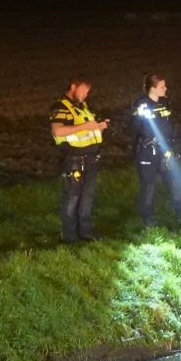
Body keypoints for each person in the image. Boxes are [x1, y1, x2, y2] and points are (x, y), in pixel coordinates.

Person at [49, 76, 109, 243]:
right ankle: (70, 237)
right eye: (83, 90)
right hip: (73, 160)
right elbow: (58, 132)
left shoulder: (83, 107)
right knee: (72, 198)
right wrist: (87, 126)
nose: (85, 95)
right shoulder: (60, 107)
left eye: (88, 92)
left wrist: (99, 127)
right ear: (73, 87)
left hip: (91, 160)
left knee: (87, 198)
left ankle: (86, 233)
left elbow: (88, 131)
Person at [130, 73, 181, 229]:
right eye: (162, 87)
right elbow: (134, 129)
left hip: (166, 150)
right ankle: (148, 220)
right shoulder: (141, 104)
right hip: (147, 151)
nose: (166, 89)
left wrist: (175, 146)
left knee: (174, 182)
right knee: (148, 186)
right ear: (153, 89)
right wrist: (139, 115)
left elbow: (171, 127)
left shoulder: (165, 103)